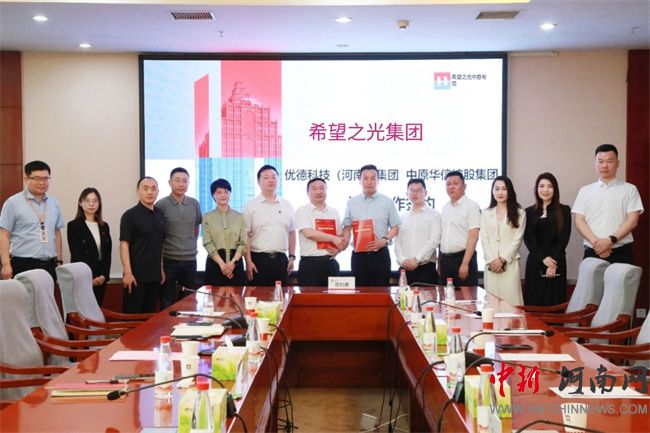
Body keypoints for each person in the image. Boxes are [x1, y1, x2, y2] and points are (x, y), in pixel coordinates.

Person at [573, 144, 644, 265]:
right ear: (595, 163)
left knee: (622, 278)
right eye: (600, 161)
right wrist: (597, 244)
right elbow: (579, 221)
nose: (604, 166)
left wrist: (610, 241)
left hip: (621, 252)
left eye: (609, 161)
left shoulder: (630, 189)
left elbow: (632, 221)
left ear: (618, 163)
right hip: (593, 251)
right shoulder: (585, 191)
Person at [0, 161, 64, 281]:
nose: (42, 182)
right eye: (37, 178)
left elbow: (57, 233)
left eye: (45, 178)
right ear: (26, 179)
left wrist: (59, 261)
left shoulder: (54, 203)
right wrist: (5, 264)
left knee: (47, 294)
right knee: (23, 294)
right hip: (23, 263)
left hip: (50, 264)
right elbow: (4, 234)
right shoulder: (13, 203)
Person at [342, 164, 400, 286]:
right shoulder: (352, 202)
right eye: (365, 178)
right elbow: (347, 228)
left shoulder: (387, 201)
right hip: (359, 256)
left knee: (382, 292)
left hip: (380, 255)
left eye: (373, 178)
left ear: (378, 180)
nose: (369, 182)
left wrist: (384, 240)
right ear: (360, 180)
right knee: (360, 292)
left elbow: (395, 227)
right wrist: (343, 243)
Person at [155, 167, 202, 309]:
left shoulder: (194, 203)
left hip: (190, 260)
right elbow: (158, 233)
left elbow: (195, 227)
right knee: (167, 300)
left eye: (185, 181)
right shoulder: (161, 205)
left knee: (188, 300)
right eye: (177, 180)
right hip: (169, 259)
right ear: (170, 182)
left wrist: (190, 244)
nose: (181, 184)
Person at [523, 173, 571, 306]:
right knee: (534, 303)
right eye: (541, 186)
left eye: (550, 186)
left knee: (555, 303)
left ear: (555, 189)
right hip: (535, 262)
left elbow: (564, 238)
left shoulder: (564, 210)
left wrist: (552, 263)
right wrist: (543, 258)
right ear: (536, 189)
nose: (545, 190)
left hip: (557, 262)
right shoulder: (528, 212)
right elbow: (528, 239)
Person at [243, 165, 296, 286]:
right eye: (266, 177)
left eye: (274, 177)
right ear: (258, 182)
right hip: (258, 260)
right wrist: (248, 261)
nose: (271, 180)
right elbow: (246, 236)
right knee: (258, 295)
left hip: (281, 260)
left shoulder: (287, 205)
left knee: (280, 296)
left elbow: (292, 232)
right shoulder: (250, 206)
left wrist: (292, 257)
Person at [119, 176, 165, 313]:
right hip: (135, 277)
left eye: (153, 189)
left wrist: (161, 269)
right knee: (132, 317)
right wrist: (128, 273)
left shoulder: (160, 214)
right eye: (145, 188)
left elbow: (160, 244)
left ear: (158, 192)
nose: (150, 192)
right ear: (138, 191)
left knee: (149, 317)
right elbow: (124, 245)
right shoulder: (129, 215)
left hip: (154, 276)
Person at [480, 176, 526, 306]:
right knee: (491, 304)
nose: (500, 192)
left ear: (510, 191)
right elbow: (484, 239)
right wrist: (492, 260)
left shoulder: (520, 213)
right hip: (491, 266)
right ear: (492, 191)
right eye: (497, 189)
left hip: (509, 265)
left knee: (511, 303)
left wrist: (502, 259)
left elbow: (517, 239)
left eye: (504, 189)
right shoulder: (485, 213)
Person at [295, 178, 345, 286]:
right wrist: (333, 238)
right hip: (310, 264)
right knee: (309, 297)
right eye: (314, 189)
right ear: (308, 193)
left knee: (334, 296)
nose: (318, 191)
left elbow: (340, 236)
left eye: (322, 188)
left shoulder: (334, 212)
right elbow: (309, 233)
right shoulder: (302, 211)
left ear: (326, 191)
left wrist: (338, 249)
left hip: (331, 263)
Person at [67, 188, 112, 305]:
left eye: (95, 201)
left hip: (101, 279)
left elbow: (107, 254)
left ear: (99, 203)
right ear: (80, 203)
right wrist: (91, 279)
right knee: (82, 311)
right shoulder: (73, 226)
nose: (91, 204)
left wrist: (104, 276)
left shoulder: (104, 226)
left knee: (97, 311)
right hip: (83, 279)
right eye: (87, 201)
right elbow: (77, 255)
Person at [394, 178, 441, 285]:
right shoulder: (402, 218)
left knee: (427, 296)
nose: (415, 193)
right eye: (411, 190)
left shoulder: (434, 215)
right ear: (407, 194)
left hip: (426, 269)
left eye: (419, 190)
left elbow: (434, 240)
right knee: (403, 296)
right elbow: (397, 243)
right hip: (404, 269)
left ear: (426, 193)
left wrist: (417, 259)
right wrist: (402, 260)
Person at [439, 171, 481, 287]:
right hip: (445, 261)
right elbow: (443, 236)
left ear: (464, 186)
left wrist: (465, 263)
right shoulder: (445, 208)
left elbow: (474, 236)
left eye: (455, 183)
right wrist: (440, 263)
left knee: (465, 296)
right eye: (448, 184)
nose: (451, 187)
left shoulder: (471, 206)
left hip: (462, 259)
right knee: (446, 295)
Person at [203, 179, 247, 286]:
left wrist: (233, 263)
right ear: (213, 195)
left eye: (226, 192)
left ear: (230, 194)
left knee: (237, 295)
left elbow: (243, 243)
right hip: (215, 263)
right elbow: (207, 243)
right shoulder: (207, 217)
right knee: (213, 296)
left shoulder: (239, 217)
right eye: (219, 192)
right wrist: (222, 265)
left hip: (236, 263)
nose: (223, 195)